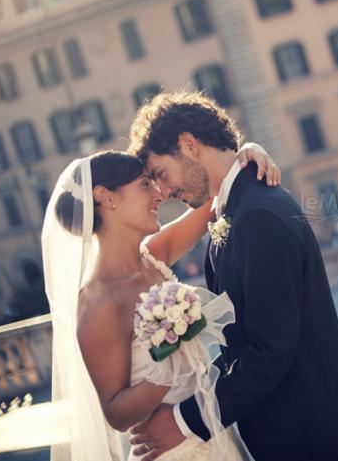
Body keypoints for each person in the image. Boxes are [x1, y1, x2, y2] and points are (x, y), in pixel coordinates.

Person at [127, 92, 338, 461]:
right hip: (291, 424)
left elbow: (270, 351)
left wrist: (183, 420)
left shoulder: (258, 214)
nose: (164, 193)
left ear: (188, 144)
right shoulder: (237, 208)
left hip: (308, 430)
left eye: (160, 175)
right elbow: (239, 342)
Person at [42, 141, 281, 461]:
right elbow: (115, 413)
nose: (159, 194)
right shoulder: (99, 303)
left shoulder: (155, 256)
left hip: (213, 433)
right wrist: (166, 366)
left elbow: (217, 195)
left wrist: (249, 151)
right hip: (171, 450)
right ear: (106, 197)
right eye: (144, 184)